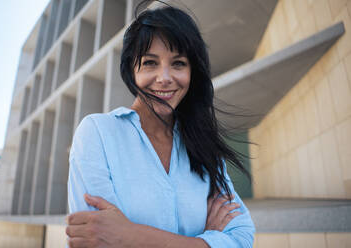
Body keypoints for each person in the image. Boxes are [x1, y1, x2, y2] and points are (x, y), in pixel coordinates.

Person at [66, 2, 255, 248]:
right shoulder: (97, 133)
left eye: (178, 63)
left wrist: (129, 236)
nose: (164, 78)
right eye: (150, 63)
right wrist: (206, 240)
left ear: (192, 71)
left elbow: (241, 238)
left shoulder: (204, 147)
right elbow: (97, 239)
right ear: (131, 70)